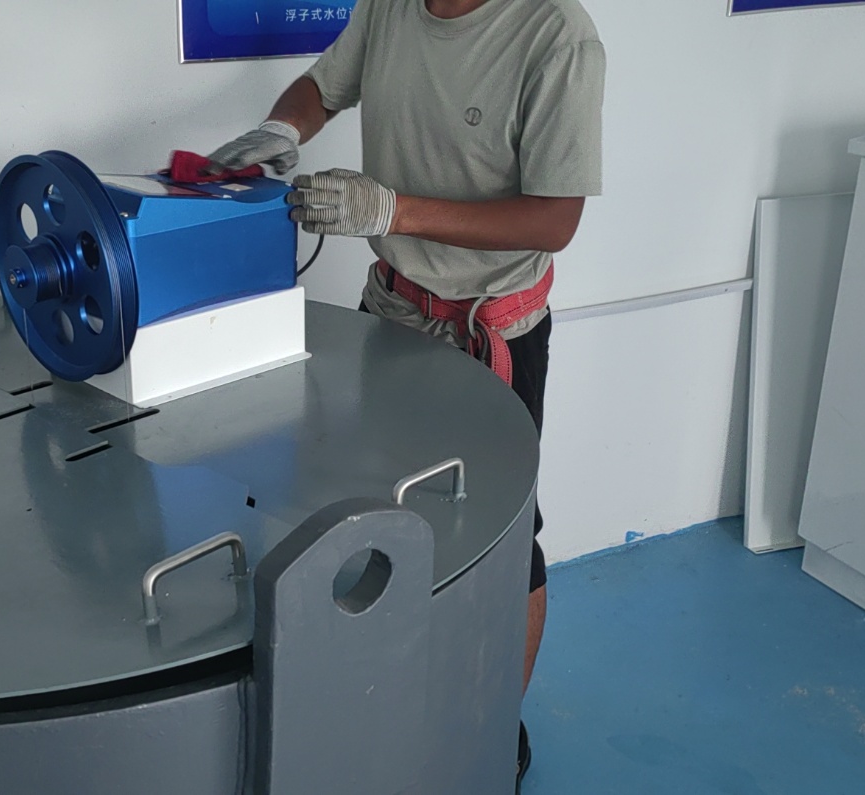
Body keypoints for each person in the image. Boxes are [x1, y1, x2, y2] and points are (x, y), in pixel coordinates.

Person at [206, 0, 604, 788]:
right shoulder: (391, 5)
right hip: (391, 311)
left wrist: (394, 209)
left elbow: (555, 219)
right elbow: (324, 86)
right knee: (375, 510)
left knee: (502, 537)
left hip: (490, 330)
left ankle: (493, 733)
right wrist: (283, 128)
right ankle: (391, 709)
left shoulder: (558, 36)